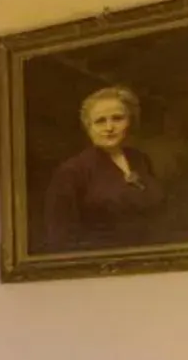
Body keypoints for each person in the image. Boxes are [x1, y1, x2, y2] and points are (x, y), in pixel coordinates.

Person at [41, 86, 165, 251]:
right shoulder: (72, 172)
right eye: (100, 121)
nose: (109, 128)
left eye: (117, 118)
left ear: (130, 121)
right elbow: (60, 237)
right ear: (88, 127)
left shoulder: (140, 159)